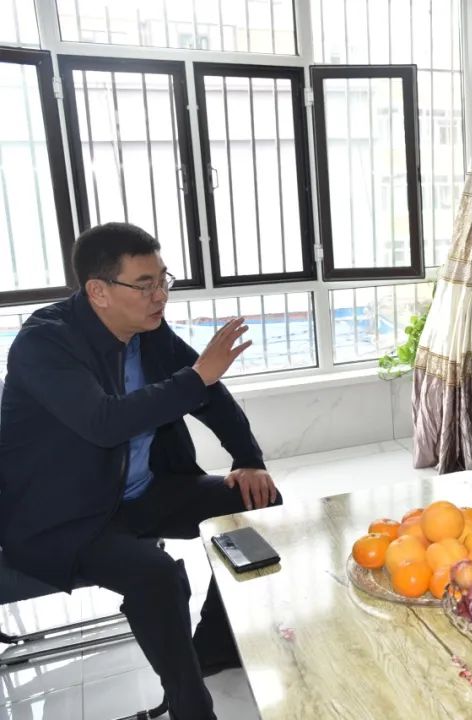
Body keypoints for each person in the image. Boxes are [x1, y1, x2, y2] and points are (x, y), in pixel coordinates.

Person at [0, 223, 280, 720]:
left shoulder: (149, 333)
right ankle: (191, 708)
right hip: (67, 517)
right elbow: (104, 422)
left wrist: (249, 460)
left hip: (141, 493)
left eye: (163, 280)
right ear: (98, 291)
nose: (161, 296)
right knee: (158, 577)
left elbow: (210, 396)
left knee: (260, 502)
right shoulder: (44, 342)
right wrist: (198, 375)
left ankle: (214, 646)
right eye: (145, 284)